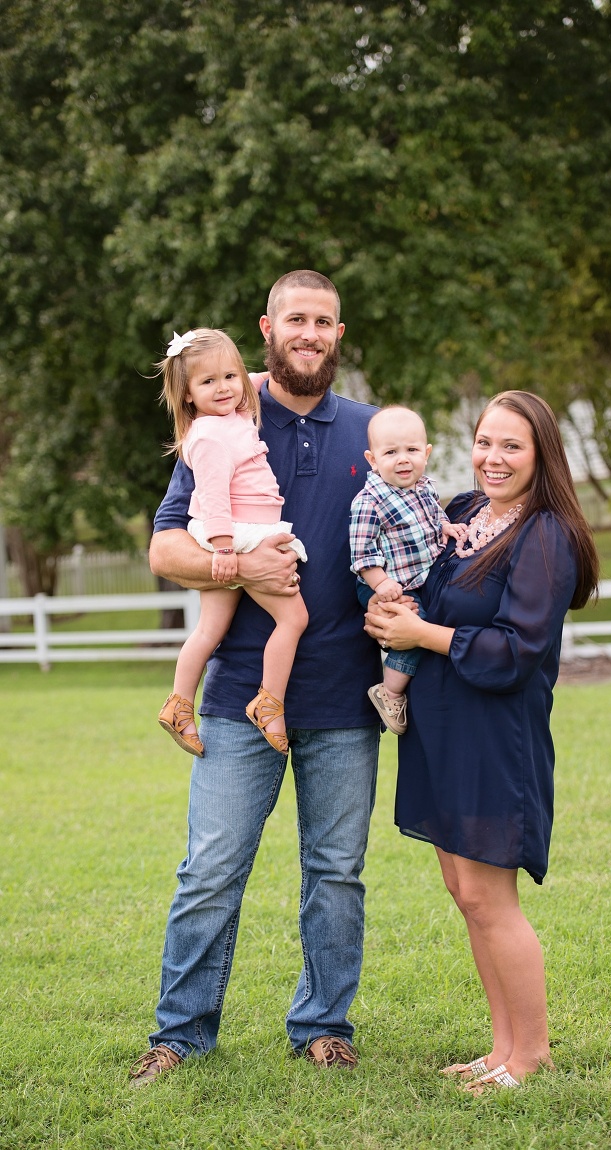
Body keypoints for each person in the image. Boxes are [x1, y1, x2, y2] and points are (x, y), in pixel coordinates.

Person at [129, 271, 383, 1085]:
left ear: (338, 334)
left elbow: (411, 527)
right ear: (267, 327)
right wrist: (235, 563)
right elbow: (167, 546)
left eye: (324, 321)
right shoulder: (226, 414)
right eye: (295, 319)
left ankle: (323, 1025)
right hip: (240, 694)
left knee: (336, 874)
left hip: (343, 699)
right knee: (210, 870)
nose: (309, 333)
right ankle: (180, 1035)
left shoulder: (372, 432)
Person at [364, 391, 600, 1094]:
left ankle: (530, 1056)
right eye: (485, 442)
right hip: (439, 726)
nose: (493, 458)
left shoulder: (547, 535)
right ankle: (499, 1049)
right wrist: (389, 599)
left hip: (496, 733)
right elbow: (414, 573)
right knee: (466, 893)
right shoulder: (461, 511)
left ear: (541, 455)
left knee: (492, 898)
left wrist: (421, 636)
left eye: (512, 447)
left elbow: (516, 650)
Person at [156, 327, 308, 757]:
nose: (223, 388)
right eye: (207, 382)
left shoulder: (235, 413)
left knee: (210, 629)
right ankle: (268, 703)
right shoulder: (208, 436)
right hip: (237, 533)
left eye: (229, 377)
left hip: (237, 531)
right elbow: (216, 497)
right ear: (186, 394)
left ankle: (179, 703)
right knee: (294, 619)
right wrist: (224, 549)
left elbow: (258, 378)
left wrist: (258, 374)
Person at [350, 406, 466, 735]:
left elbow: (431, 519)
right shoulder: (369, 500)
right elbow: (362, 553)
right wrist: (380, 583)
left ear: (426, 454)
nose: (403, 459)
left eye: (412, 450)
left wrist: (446, 526)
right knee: (416, 626)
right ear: (372, 460)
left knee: (431, 617)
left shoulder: (425, 487)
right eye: (391, 452)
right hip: (383, 579)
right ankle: (390, 692)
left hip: (415, 577)